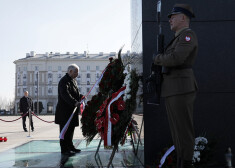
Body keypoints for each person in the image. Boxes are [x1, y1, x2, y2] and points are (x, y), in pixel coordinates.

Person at [154, 4, 198, 168]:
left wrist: (157, 58)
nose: (170, 19)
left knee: (184, 131)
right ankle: (181, 161)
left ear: (184, 18)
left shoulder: (188, 35)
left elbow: (176, 58)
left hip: (181, 88)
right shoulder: (179, 37)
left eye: (174, 16)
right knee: (177, 132)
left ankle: (186, 163)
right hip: (174, 89)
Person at [55, 64, 83, 156]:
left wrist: (81, 96)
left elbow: (74, 93)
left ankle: (70, 146)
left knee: (70, 130)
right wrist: (75, 102)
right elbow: (65, 95)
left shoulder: (73, 81)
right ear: (70, 71)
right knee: (64, 131)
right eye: (76, 72)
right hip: (64, 112)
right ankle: (64, 149)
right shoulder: (64, 81)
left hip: (71, 111)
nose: (77, 74)